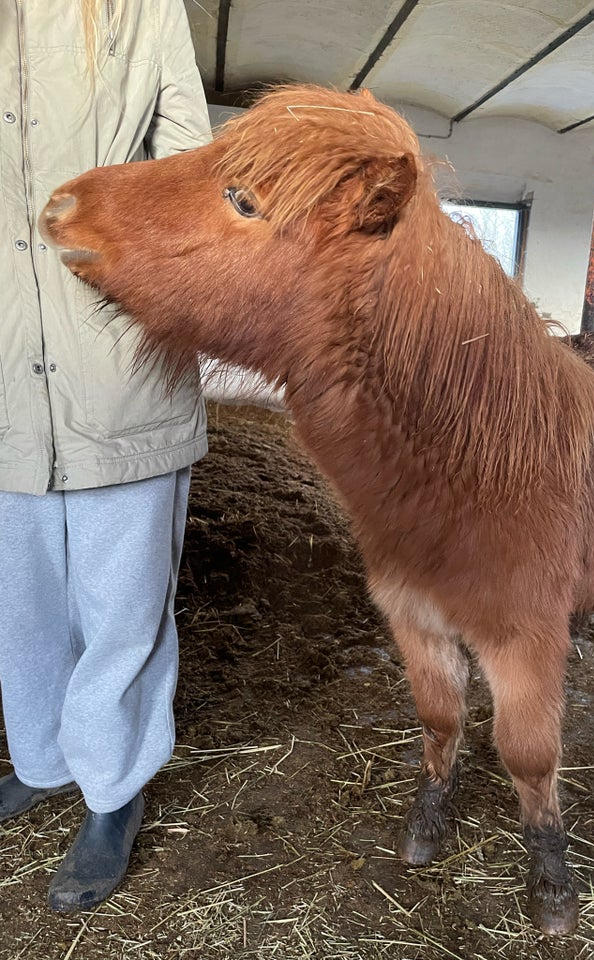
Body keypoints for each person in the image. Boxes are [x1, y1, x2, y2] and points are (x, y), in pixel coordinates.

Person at [0, 0, 211, 912]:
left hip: (117, 373)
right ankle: (44, 760)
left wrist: (131, 287)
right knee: (26, 600)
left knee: (120, 608)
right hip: (7, 376)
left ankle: (112, 789)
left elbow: (198, 179)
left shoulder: (143, 10)